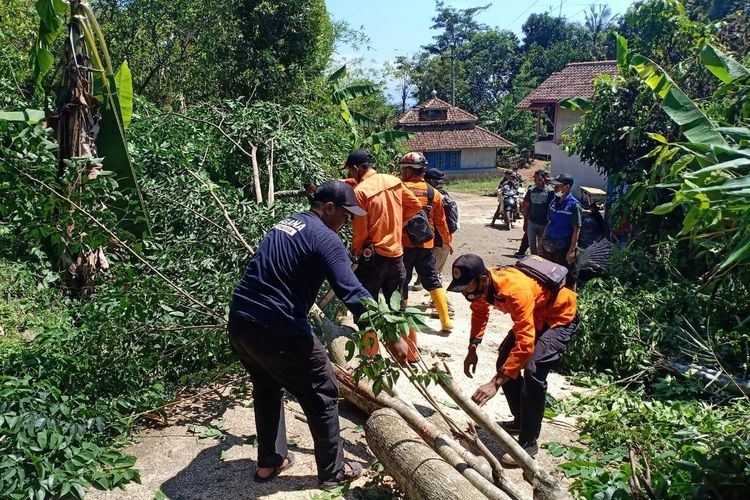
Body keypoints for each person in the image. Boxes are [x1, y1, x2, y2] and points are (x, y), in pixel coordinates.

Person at [228, 181, 409, 488]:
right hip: (278, 327)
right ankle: (333, 472)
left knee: (267, 386)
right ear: (328, 208)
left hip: (241, 323)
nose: (349, 223)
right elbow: (350, 289)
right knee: (323, 390)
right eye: (346, 215)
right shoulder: (325, 237)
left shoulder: (286, 223)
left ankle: (269, 462)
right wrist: (390, 333)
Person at [446, 254, 579, 465]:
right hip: (536, 314)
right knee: (504, 362)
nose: (464, 293)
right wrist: (473, 346)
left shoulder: (515, 291)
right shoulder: (483, 287)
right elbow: (480, 313)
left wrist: (495, 383)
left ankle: (528, 443)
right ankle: (520, 420)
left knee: (533, 371)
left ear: (482, 280)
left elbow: (525, 345)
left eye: (466, 287)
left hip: (560, 316)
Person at [343, 148, 422, 356]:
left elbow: (360, 230)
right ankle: (411, 353)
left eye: (351, 172)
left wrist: (356, 250)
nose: (351, 175)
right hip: (397, 256)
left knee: (365, 310)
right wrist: (397, 223)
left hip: (373, 259)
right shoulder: (393, 180)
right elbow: (414, 205)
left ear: (357, 168)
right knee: (398, 307)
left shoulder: (360, 193)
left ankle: (371, 359)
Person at [399, 152, 454, 342]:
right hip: (426, 245)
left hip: (404, 245)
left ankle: (402, 317)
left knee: (402, 281)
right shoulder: (434, 193)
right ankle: (445, 321)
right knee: (431, 279)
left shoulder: (400, 189)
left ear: (408, 170)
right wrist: (447, 242)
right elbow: (441, 222)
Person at [540, 173, 582, 269]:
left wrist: (572, 250)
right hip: (548, 245)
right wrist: (541, 242)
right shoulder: (553, 202)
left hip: (562, 249)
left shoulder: (574, 206)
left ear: (567, 187)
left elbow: (576, 229)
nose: (554, 188)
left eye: (557, 186)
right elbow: (549, 223)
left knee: (560, 276)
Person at [424, 167, 458, 281]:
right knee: (435, 268)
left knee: (434, 273)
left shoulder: (434, 196)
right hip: (444, 238)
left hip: (438, 239)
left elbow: (441, 221)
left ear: (430, 181)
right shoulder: (444, 194)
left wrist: (445, 241)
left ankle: (437, 297)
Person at [523, 170, 555, 256]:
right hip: (532, 222)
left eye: (539, 179)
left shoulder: (550, 192)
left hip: (544, 224)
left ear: (544, 179)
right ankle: (533, 258)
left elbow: (552, 208)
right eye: (535, 180)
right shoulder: (531, 190)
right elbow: (526, 207)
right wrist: (525, 222)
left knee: (541, 246)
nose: (537, 182)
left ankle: (540, 262)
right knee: (532, 244)